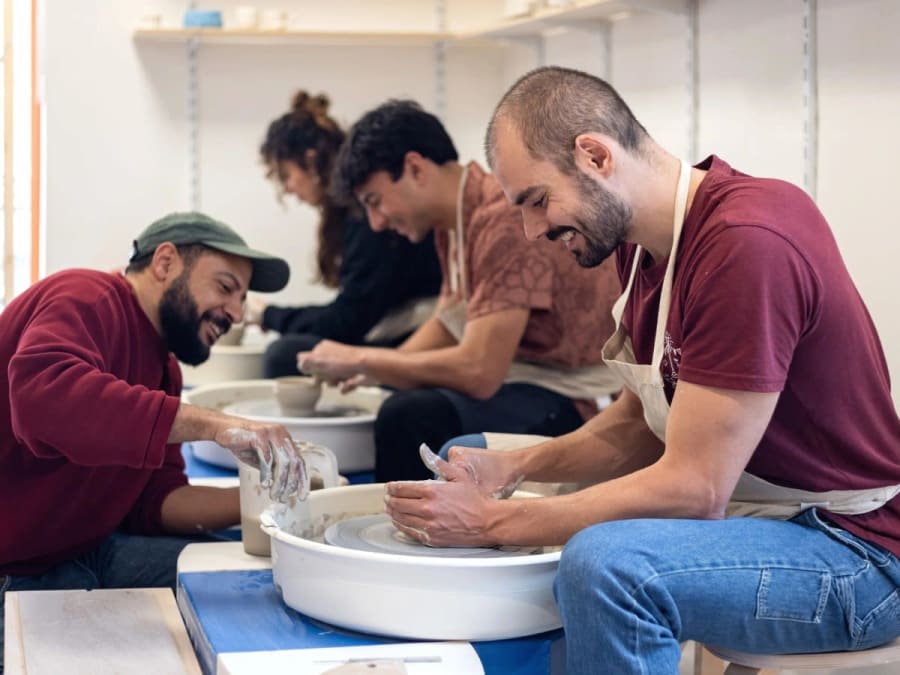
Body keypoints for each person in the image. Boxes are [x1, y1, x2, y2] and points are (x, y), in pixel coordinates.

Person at [384, 66, 900, 674]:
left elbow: (695, 489)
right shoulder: (638, 249)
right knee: (469, 454)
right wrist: (515, 467)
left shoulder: (747, 241)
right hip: (765, 514)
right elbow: (636, 426)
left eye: (537, 201)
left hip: (856, 551)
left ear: (596, 156)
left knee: (608, 568)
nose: (532, 231)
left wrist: (495, 520)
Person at [0, 212, 308, 670]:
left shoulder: (166, 370)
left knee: (262, 579)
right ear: (165, 263)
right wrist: (214, 425)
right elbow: (42, 401)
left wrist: (282, 498)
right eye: (225, 288)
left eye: (243, 299)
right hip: (13, 566)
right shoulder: (86, 295)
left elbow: (155, 502)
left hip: (86, 548)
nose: (237, 314)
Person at [297, 99, 622, 482]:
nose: (376, 222)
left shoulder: (502, 220)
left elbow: (479, 371)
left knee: (408, 415)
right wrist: (371, 372)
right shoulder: (455, 222)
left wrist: (365, 360)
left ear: (415, 168)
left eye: (375, 201)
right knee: (390, 397)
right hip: (524, 377)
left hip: (574, 397)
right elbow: (448, 321)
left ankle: (398, 518)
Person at [251, 91, 442, 377]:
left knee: (284, 355)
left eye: (286, 176)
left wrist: (268, 315)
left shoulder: (364, 215)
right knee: (290, 351)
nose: (288, 189)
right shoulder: (355, 214)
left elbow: (349, 320)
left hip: (416, 327)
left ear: (311, 161)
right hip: (401, 323)